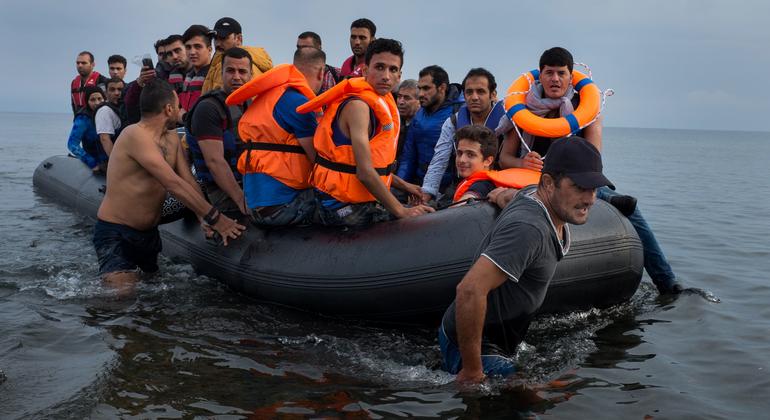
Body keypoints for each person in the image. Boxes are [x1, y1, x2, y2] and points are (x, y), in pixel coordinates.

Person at [498, 47, 683, 295]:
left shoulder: (587, 112)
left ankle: (667, 282)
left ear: (571, 76)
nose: (555, 79)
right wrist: (522, 163)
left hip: (577, 180)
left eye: (561, 73)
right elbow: (504, 158)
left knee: (633, 211)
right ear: (539, 76)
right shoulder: (522, 111)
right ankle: (608, 199)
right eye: (549, 73)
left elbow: (594, 161)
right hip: (532, 181)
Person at [439, 136, 615, 383]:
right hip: (475, 343)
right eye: (579, 187)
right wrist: (471, 371)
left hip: (500, 336)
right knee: (537, 401)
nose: (590, 199)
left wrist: (498, 196)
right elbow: (469, 290)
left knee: (562, 387)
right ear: (549, 183)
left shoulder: (533, 194)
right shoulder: (529, 229)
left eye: (594, 188)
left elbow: (511, 196)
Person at [93, 79, 245, 295]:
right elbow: (172, 184)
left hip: (148, 235)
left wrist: (202, 218)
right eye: (178, 105)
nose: (181, 110)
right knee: (122, 300)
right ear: (169, 108)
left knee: (151, 300)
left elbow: (187, 180)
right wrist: (217, 219)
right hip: (116, 233)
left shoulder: (172, 137)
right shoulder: (134, 135)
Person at [296, 38, 434, 227]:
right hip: (339, 205)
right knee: (417, 222)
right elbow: (364, 172)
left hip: (357, 197)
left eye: (392, 69)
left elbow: (372, 165)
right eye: (379, 67)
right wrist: (402, 211)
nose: (386, 75)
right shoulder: (358, 107)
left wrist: (405, 186)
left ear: (399, 76)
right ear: (365, 70)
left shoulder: (381, 101)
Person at [225, 47, 326, 226]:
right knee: (345, 203)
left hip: (255, 208)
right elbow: (318, 161)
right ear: (321, 73)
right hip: (282, 208)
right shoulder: (298, 103)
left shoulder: (266, 99)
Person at [185, 47, 254, 218]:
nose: (236, 77)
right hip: (221, 191)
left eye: (242, 71)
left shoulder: (249, 104)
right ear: (221, 73)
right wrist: (241, 200)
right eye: (230, 71)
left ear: (250, 75)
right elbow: (214, 161)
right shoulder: (208, 108)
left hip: (249, 181)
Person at [420, 68, 507, 203]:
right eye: (469, 92)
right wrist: (427, 193)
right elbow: (439, 160)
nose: (474, 97)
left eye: (481, 91)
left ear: (493, 94)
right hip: (462, 182)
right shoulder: (452, 122)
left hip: (498, 184)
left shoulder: (507, 120)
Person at [396, 65, 463, 194]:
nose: (421, 94)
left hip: (450, 190)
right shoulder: (419, 115)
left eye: (426, 88)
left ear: (442, 88)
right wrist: (399, 188)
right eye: (420, 88)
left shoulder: (460, 112)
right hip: (419, 187)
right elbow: (408, 158)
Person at [201, 17, 273, 94]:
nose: (218, 43)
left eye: (223, 38)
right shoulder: (218, 63)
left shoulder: (235, 66)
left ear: (239, 39)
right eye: (215, 38)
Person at [67, 86, 108, 172]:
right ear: (87, 102)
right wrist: (91, 162)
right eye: (92, 100)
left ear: (104, 99)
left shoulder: (108, 113)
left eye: (100, 99)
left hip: (111, 161)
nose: (97, 103)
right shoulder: (83, 119)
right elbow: (72, 144)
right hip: (96, 162)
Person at [179, 25, 215, 116]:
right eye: (188, 47)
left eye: (197, 46)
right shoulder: (188, 76)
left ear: (209, 49)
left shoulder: (215, 75)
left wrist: (183, 117)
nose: (192, 52)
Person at [95, 77, 125, 156]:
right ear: (105, 93)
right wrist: (116, 162)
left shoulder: (122, 108)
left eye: (120, 89)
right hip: (110, 161)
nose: (117, 93)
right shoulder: (104, 111)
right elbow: (104, 139)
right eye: (112, 90)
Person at [71, 51, 109, 115]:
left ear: (92, 64)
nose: (80, 65)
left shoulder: (102, 81)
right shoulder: (74, 83)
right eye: (78, 63)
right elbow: (73, 105)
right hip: (80, 120)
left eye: (83, 63)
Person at [395, 79, 419, 158]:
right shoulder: (394, 122)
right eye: (399, 97)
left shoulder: (423, 127)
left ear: (419, 101)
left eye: (407, 98)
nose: (401, 102)